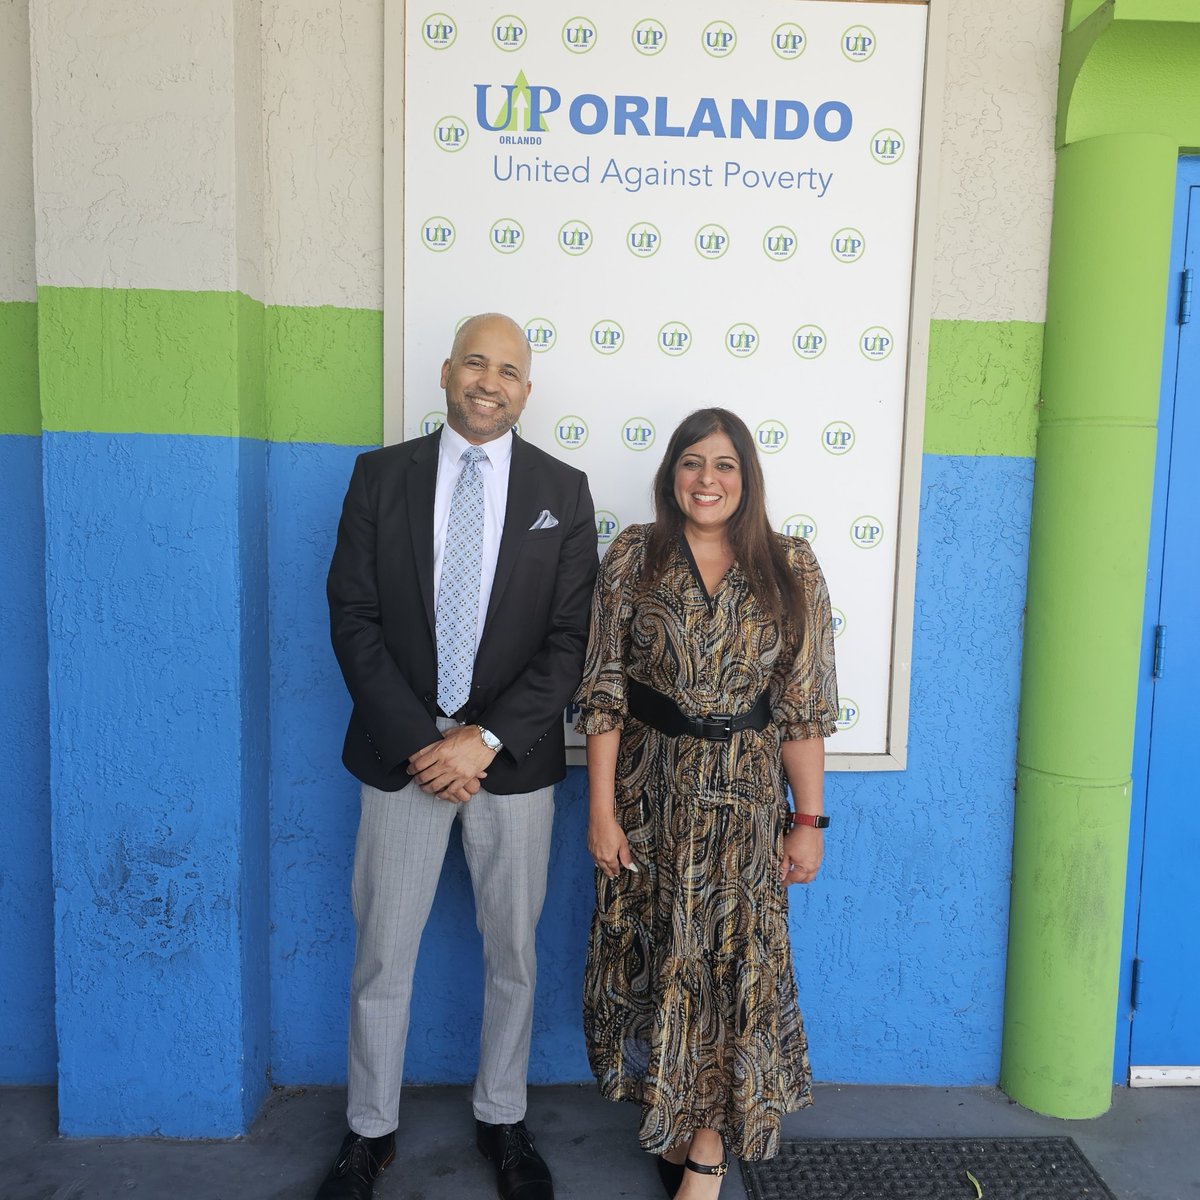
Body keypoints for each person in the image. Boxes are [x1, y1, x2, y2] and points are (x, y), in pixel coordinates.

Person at [318, 313, 598, 1200]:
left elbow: (570, 640)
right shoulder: (380, 477)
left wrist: (482, 739)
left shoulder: (564, 490)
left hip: (511, 764)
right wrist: (422, 742)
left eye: (508, 370)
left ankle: (502, 1118)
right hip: (400, 757)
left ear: (527, 389)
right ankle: (370, 1133)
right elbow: (353, 617)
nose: (489, 381)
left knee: (513, 955)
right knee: (382, 956)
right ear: (446, 371)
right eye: (475, 362)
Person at [574, 407, 838, 1199]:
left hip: (746, 804)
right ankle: (676, 1118)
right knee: (662, 962)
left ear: (747, 478)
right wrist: (600, 812)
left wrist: (808, 821)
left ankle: (707, 1158)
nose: (707, 479)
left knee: (732, 970)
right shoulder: (634, 557)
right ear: (671, 475)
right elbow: (604, 694)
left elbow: (803, 710)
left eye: (725, 464)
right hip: (650, 798)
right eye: (692, 462)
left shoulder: (791, 566)